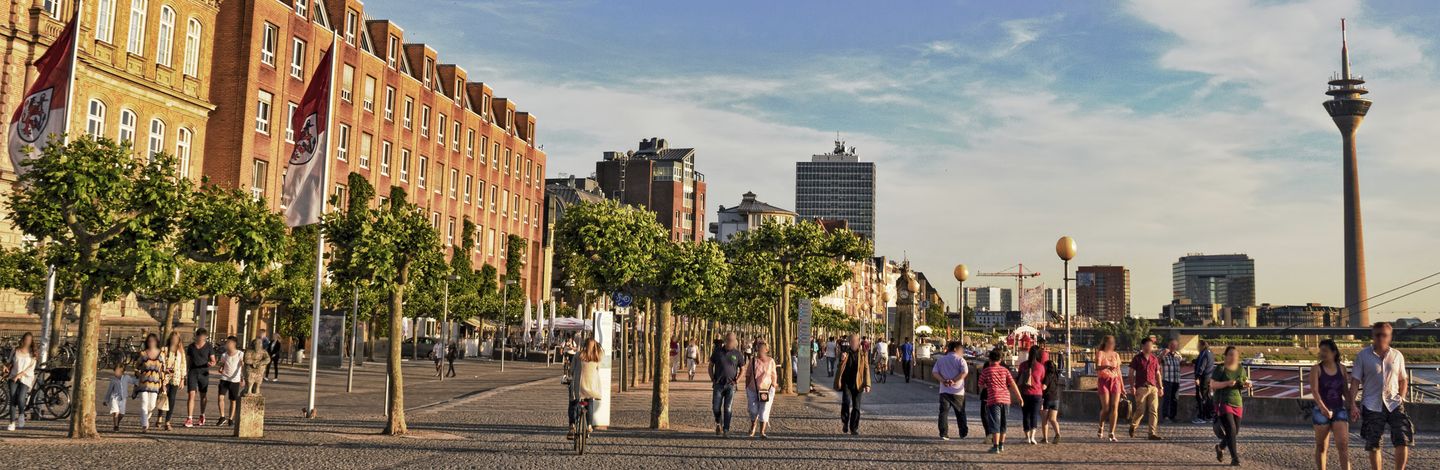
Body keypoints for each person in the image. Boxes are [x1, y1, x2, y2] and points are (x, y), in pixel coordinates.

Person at [1350, 322, 1413, 470]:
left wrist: (1402, 398)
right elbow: (1355, 381)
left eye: (1384, 335)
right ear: (1372, 336)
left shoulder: (1397, 355)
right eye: (1377, 334)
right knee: (1374, 443)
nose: (1380, 338)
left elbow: (1403, 379)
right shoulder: (1363, 355)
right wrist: (1353, 404)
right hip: (1371, 404)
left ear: (1390, 337)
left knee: (1402, 439)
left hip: (1394, 403)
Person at [1312, 339, 1354, 470]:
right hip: (1321, 410)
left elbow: (1345, 391)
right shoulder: (1316, 369)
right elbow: (1314, 391)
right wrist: (1323, 408)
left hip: (1338, 409)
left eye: (1325, 351)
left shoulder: (1342, 368)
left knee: (1343, 445)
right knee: (1321, 446)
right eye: (1321, 351)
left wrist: (1353, 405)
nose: (1322, 353)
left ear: (1334, 352)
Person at [1210, 345, 1251, 466]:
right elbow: (1213, 385)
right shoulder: (1220, 369)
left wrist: (1246, 384)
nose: (1234, 357)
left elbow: (1245, 380)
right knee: (1231, 429)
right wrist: (1227, 383)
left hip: (1237, 402)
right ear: (1226, 356)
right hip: (1223, 402)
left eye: (1236, 355)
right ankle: (1235, 458)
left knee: (1234, 431)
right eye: (1231, 354)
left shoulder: (1240, 369)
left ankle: (1220, 447)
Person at [979, 348, 1023, 454]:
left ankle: (996, 446)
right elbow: (1013, 384)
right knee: (1003, 423)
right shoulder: (1005, 370)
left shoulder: (986, 371)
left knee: (995, 423)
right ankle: (1002, 445)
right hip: (1006, 398)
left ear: (990, 359)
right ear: (1000, 359)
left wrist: (987, 385)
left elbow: (980, 385)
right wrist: (1020, 398)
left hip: (993, 398)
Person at [834, 333, 871, 435]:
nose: (854, 343)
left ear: (859, 342)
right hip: (847, 382)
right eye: (852, 341)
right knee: (846, 402)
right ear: (849, 342)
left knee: (856, 406)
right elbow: (839, 366)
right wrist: (841, 359)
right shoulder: (845, 352)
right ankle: (845, 422)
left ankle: (854, 428)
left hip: (858, 383)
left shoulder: (863, 353)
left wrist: (867, 384)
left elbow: (866, 368)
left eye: (856, 341)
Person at [1128, 337, 1164, 440]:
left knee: (1154, 410)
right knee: (1141, 410)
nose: (1150, 347)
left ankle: (1151, 433)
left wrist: (1160, 387)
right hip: (1141, 387)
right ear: (1143, 346)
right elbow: (1131, 373)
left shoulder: (1154, 359)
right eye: (1148, 345)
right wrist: (1132, 387)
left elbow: (1157, 373)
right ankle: (1133, 426)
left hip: (1153, 387)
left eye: (1151, 346)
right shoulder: (1137, 358)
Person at [567, 338, 603, 439]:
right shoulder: (596, 357)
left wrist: (572, 375)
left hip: (579, 387)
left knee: (573, 402)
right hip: (591, 387)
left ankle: (572, 425)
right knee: (589, 403)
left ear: (584, 345)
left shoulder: (578, 355)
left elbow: (572, 370)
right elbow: (597, 370)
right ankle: (589, 425)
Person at [931, 340, 968, 440]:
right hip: (958, 391)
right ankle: (963, 433)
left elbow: (934, 372)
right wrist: (954, 380)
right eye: (961, 349)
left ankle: (943, 433)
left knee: (943, 412)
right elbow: (964, 372)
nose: (962, 351)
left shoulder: (941, 360)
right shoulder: (961, 360)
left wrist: (943, 381)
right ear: (956, 349)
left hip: (944, 390)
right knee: (960, 412)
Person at [709, 333, 745, 437]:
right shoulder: (717, 352)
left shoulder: (737, 354)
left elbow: (742, 368)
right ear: (725, 340)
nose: (730, 342)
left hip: (731, 385)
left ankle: (726, 429)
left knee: (728, 408)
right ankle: (718, 422)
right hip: (718, 384)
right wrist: (712, 379)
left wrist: (737, 380)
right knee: (716, 407)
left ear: (735, 341)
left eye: (733, 340)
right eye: (729, 340)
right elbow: (711, 365)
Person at [745, 340, 778, 438]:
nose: (760, 351)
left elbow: (774, 374)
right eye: (759, 349)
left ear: (767, 350)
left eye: (763, 349)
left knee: (764, 410)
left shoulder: (771, 361)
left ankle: (762, 432)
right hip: (753, 389)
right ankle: (753, 424)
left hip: (767, 390)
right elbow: (748, 375)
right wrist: (747, 387)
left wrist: (773, 384)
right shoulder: (753, 361)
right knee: (753, 410)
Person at [184, 328, 216, 427]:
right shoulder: (191, 347)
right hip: (193, 372)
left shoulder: (209, 347)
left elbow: (213, 360)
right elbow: (188, 361)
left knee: (203, 396)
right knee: (191, 395)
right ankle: (189, 418)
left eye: (203, 338)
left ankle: (202, 415)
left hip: (204, 373)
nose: (201, 339)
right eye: (200, 337)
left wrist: (212, 364)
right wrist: (185, 373)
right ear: (196, 336)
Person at [5, 332, 36, 431]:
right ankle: (12, 422)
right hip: (13, 377)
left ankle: (22, 414)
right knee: (13, 399)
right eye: (26, 339)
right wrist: (5, 367)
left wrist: (20, 375)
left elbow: (31, 368)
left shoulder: (33, 353)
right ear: (23, 340)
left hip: (25, 378)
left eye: (29, 340)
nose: (27, 341)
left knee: (21, 398)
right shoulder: (15, 350)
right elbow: (10, 362)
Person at [135, 334, 165, 433]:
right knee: (144, 404)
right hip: (144, 382)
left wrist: (163, 383)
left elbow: (162, 370)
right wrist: (138, 374)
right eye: (149, 341)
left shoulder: (161, 354)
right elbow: (136, 366)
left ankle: (145, 418)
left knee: (151, 405)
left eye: (153, 341)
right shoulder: (143, 354)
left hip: (155, 384)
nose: (151, 342)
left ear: (156, 342)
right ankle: (144, 425)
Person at [1095, 335, 1122, 442]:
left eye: (1113, 342)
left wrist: (1123, 387)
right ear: (1106, 343)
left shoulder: (1116, 355)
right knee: (1106, 408)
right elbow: (1096, 367)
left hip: (1115, 380)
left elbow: (1119, 371)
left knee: (1115, 406)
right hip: (1103, 380)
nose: (1112, 344)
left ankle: (1111, 432)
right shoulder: (1100, 353)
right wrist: (1106, 366)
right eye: (1110, 342)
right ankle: (1101, 425)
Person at [1017, 345, 1046, 444]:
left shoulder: (1023, 365)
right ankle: (1033, 437)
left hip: (1025, 393)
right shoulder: (1041, 367)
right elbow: (1042, 380)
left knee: (1026, 415)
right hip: (1037, 394)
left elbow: (1019, 379)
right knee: (1034, 415)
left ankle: (1027, 437)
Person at [159, 331, 187, 431]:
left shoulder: (180, 352)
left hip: (175, 377)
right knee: (163, 396)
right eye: (173, 338)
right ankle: (160, 416)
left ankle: (167, 421)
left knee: (172, 399)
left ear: (179, 340)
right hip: (165, 377)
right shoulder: (164, 350)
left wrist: (183, 379)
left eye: (176, 338)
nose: (174, 340)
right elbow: (160, 362)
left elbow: (183, 365)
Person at [216, 336, 243, 427]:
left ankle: (231, 419)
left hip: (234, 380)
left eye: (229, 343)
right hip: (224, 378)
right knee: (220, 397)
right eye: (227, 343)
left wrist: (242, 379)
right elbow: (222, 364)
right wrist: (220, 368)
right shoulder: (224, 355)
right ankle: (222, 416)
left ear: (234, 344)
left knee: (233, 400)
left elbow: (243, 367)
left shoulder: (240, 354)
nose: (227, 344)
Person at [105, 363, 138, 432]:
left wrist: (139, 376)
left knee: (122, 414)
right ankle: (116, 426)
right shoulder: (113, 380)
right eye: (115, 371)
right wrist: (106, 400)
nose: (116, 373)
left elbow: (134, 381)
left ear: (122, 371)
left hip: (123, 398)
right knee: (115, 412)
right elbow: (109, 390)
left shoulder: (126, 377)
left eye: (117, 371)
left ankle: (117, 422)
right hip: (114, 398)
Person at [1041, 346, 1063, 444]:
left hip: (1047, 399)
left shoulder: (1048, 376)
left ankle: (1045, 438)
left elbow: (1044, 387)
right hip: (1056, 399)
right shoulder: (1056, 375)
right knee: (1053, 419)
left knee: (1044, 420)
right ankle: (1058, 433)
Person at [1159, 339, 1182, 423]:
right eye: (1172, 344)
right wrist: (1163, 354)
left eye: (1175, 345)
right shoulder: (1164, 354)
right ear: (1169, 345)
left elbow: (1181, 363)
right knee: (1167, 399)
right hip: (1167, 380)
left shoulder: (1178, 355)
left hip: (1176, 380)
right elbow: (1157, 362)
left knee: (1175, 399)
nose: (1173, 346)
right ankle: (1165, 417)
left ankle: (1173, 416)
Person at [1193, 339, 1215, 424]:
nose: (1197, 347)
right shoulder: (1210, 353)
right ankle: (1209, 416)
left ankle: (1201, 416)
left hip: (1203, 378)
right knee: (1207, 397)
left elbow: (1202, 366)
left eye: (1198, 345)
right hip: (1208, 377)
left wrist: (1197, 377)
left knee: (1201, 397)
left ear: (1202, 345)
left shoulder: (1204, 353)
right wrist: (1195, 361)